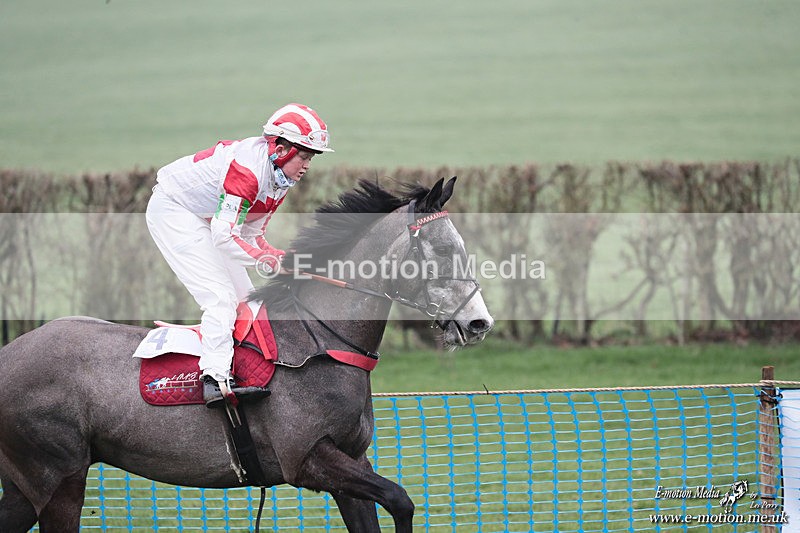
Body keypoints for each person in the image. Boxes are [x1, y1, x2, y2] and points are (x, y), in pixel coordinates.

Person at [145, 103, 333, 407]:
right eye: (304, 155)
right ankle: (214, 380)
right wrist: (269, 261)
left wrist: (283, 260)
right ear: (281, 149)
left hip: (209, 220)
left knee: (250, 300)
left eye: (310, 158)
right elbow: (224, 236)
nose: (307, 165)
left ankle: (241, 371)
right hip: (174, 211)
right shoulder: (248, 171)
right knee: (221, 299)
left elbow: (251, 236)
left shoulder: (280, 179)